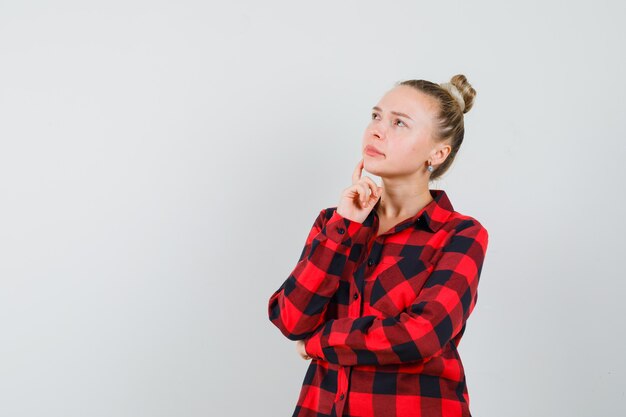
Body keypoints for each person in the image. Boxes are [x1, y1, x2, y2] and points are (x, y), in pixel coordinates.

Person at [267, 74, 489, 417]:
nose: (376, 130)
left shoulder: (460, 235)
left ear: (438, 152)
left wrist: (319, 341)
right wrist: (346, 227)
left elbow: (420, 336)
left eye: (399, 123)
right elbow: (290, 319)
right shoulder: (334, 223)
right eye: (376, 116)